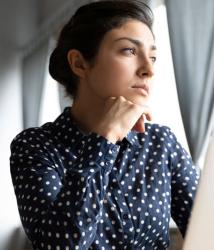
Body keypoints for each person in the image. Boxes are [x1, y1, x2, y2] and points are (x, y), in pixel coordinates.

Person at [10, 1, 200, 249]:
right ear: (79, 63)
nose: (149, 69)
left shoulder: (160, 143)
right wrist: (105, 138)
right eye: (129, 51)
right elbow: (61, 245)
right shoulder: (35, 146)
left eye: (153, 56)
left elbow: (213, 229)